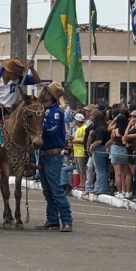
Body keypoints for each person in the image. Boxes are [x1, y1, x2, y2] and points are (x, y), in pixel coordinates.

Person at [35, 82, 72, 232]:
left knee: (56, 189)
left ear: (50, 95)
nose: (42, 93)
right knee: (47, 190)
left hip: (53, 155)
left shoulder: (55, 112)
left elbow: (51, 129)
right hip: (44, 154)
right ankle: (52, 220)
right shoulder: (44, 110)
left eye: (45, 91)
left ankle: (67, 220)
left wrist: (38, 124)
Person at [70, 113, 87, 189]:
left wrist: (76, 141)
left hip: (82, 152)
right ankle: (80, 183)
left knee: (82, 169)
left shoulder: (84, 128)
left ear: (78, 121)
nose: (74, 121)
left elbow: (84, 140)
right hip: (76, 151)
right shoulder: (77, 128)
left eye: (75, 120)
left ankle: (83, 183)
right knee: (79, 169)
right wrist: (72, 138)